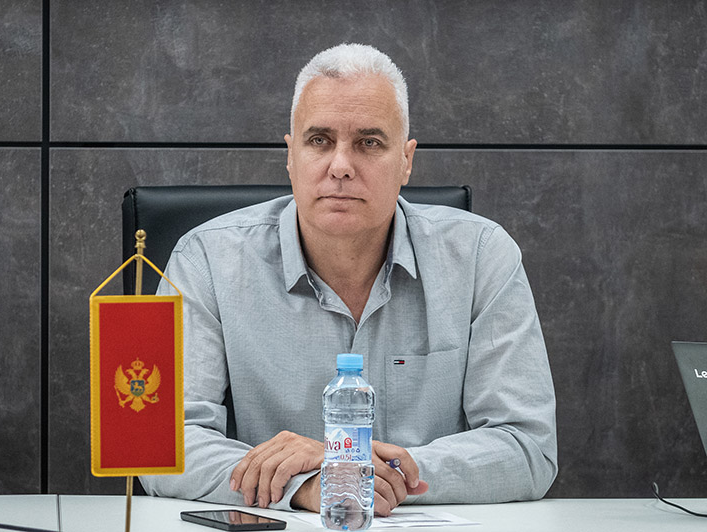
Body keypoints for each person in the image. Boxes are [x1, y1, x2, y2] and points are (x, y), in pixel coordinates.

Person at [141, 43, 557, 516]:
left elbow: (528, 447)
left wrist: (377, 471)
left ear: (406, 161)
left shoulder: (481, 256)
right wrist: (308, 482)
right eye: (319, 140)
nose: (340, 165)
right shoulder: (207, 260)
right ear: (291, 155)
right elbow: (159, 447)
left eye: (369, 143)